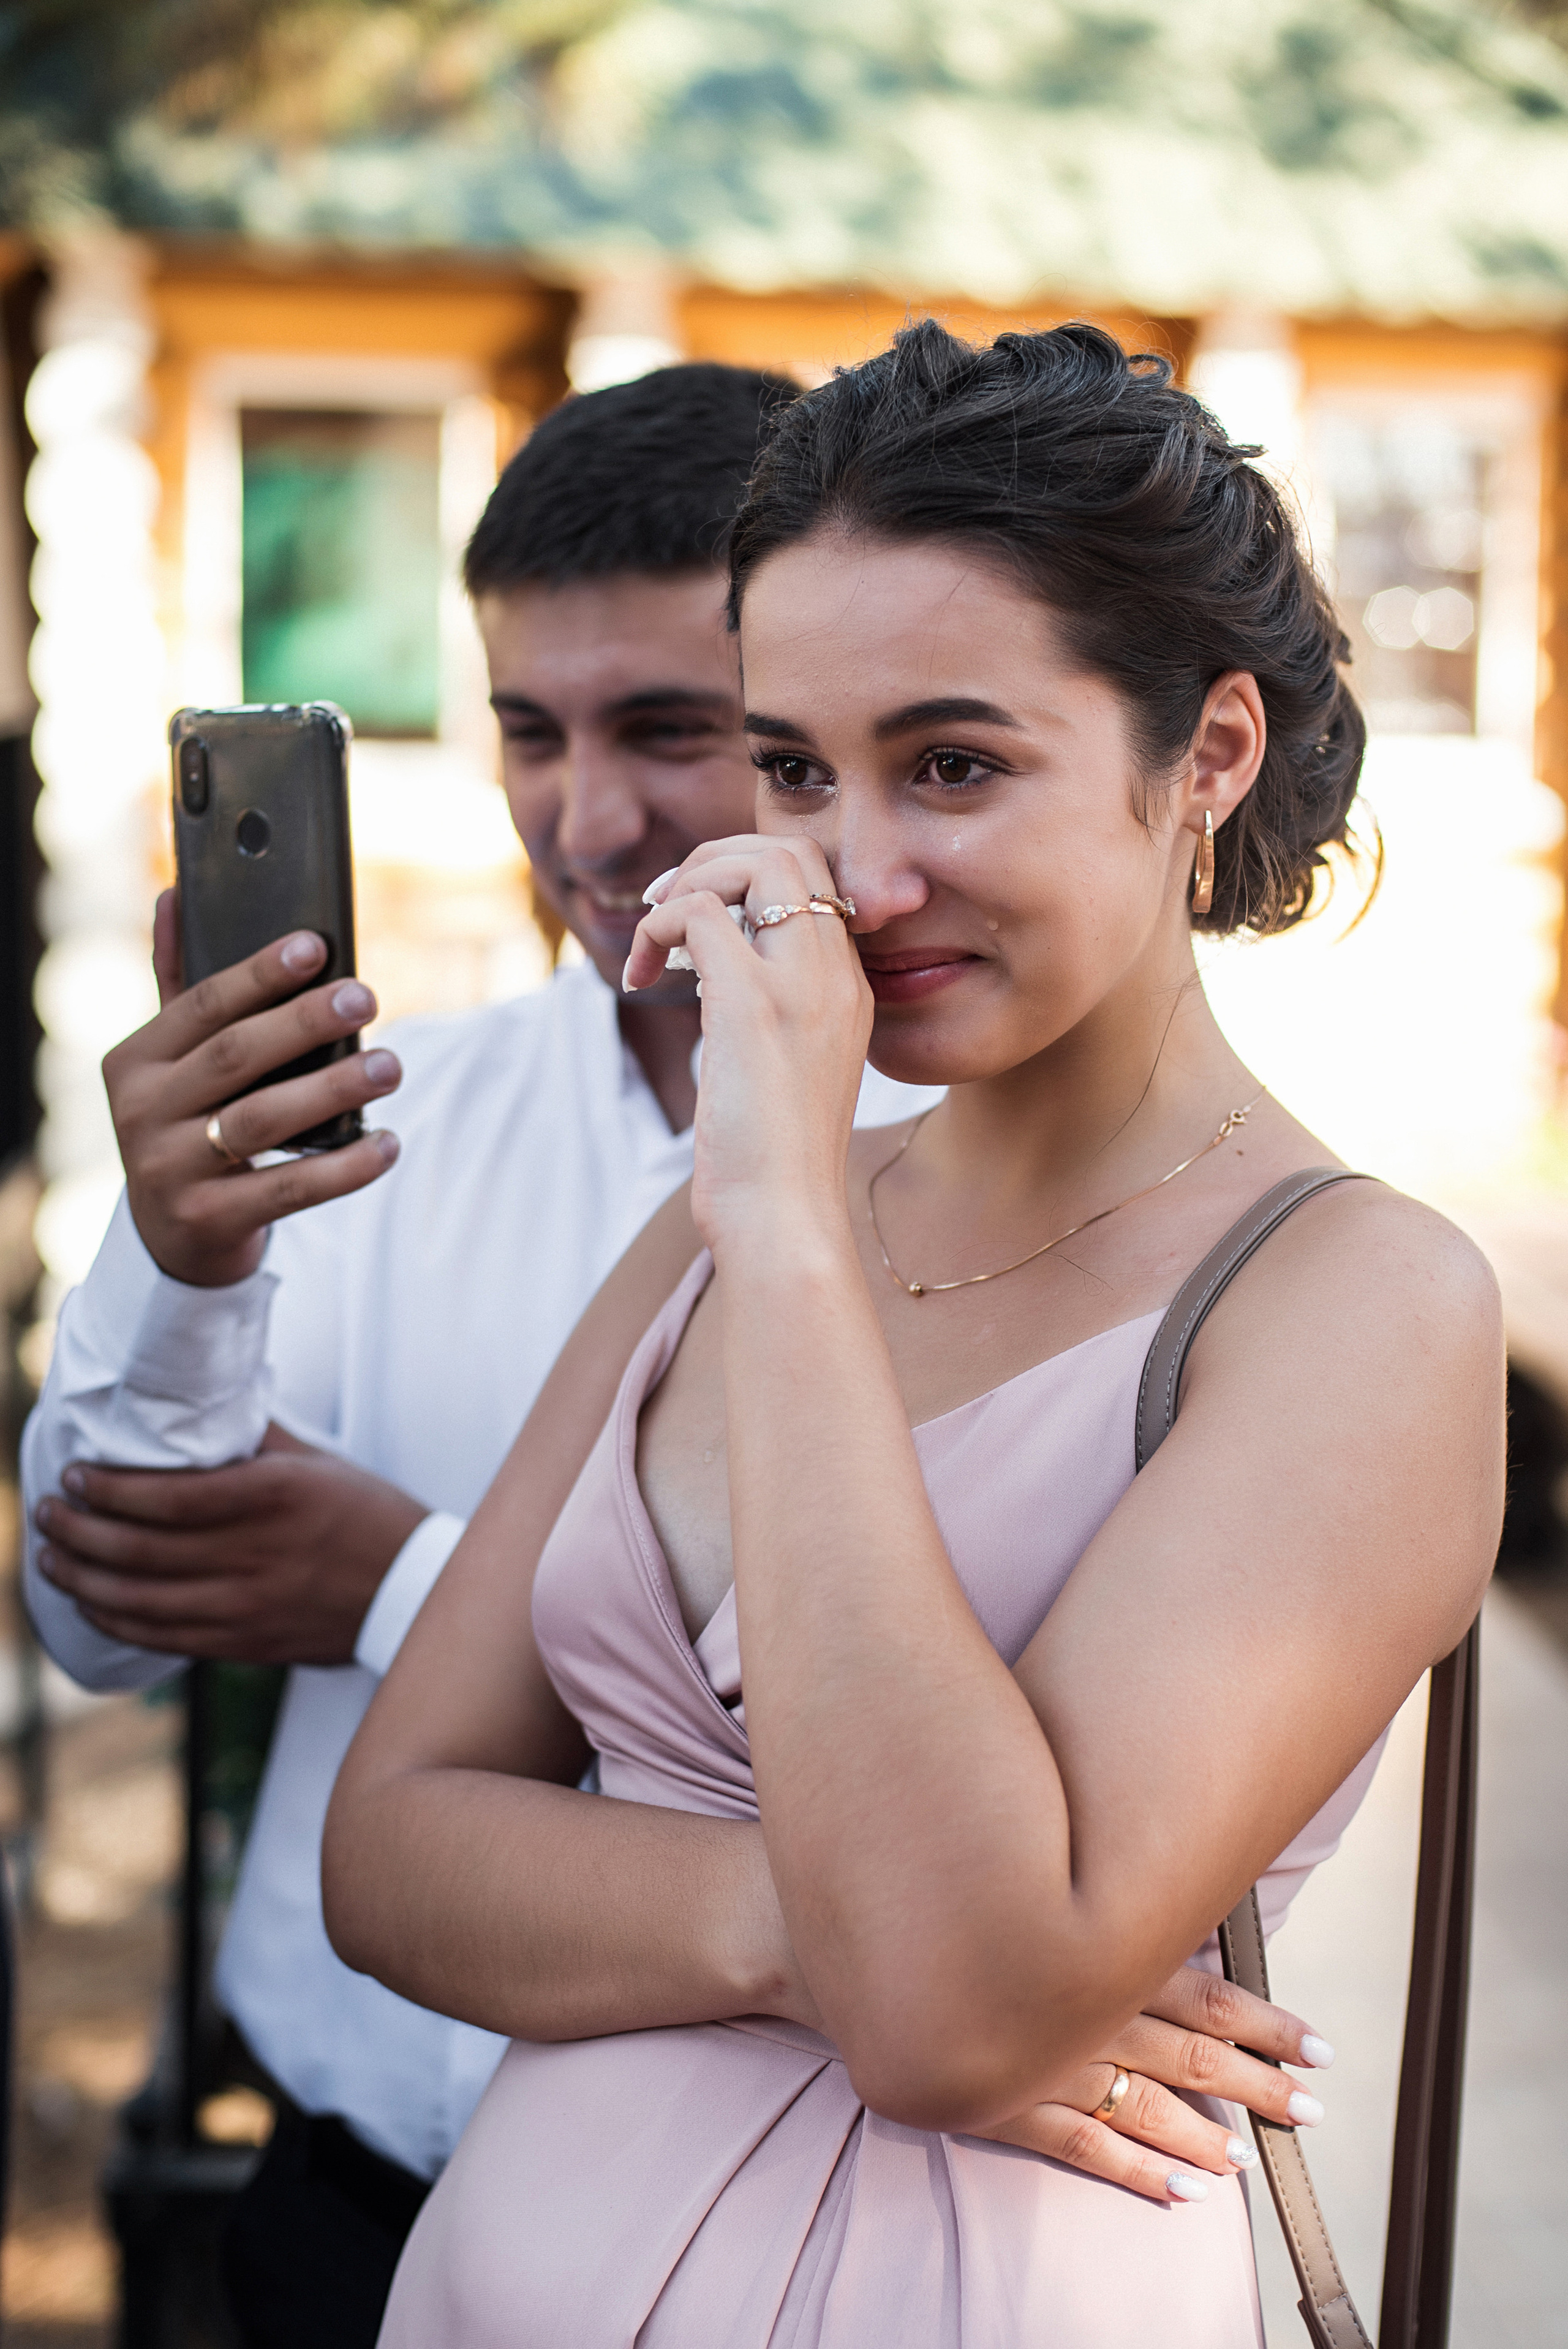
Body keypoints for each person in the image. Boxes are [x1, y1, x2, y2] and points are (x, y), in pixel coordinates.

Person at [322, 322, 1504, 2348]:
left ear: (1206, 753)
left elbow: (955, 2012)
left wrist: (785, 1225)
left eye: (954, 762)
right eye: (795, 766)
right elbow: (391, 1844)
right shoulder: (724, 1224)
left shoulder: (1357, 1301)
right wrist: (792, 1923)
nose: (856, 876)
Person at [21, 363, 944, 2348]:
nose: (585, 820)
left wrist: (399, 1586)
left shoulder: (967, 1183)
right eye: (529, 728)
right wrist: (183, 1260)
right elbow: (97, 1620)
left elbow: (921, 1768)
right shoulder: (389, 1110)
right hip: (336, 2215)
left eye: (670, 732)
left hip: (777, 2242)